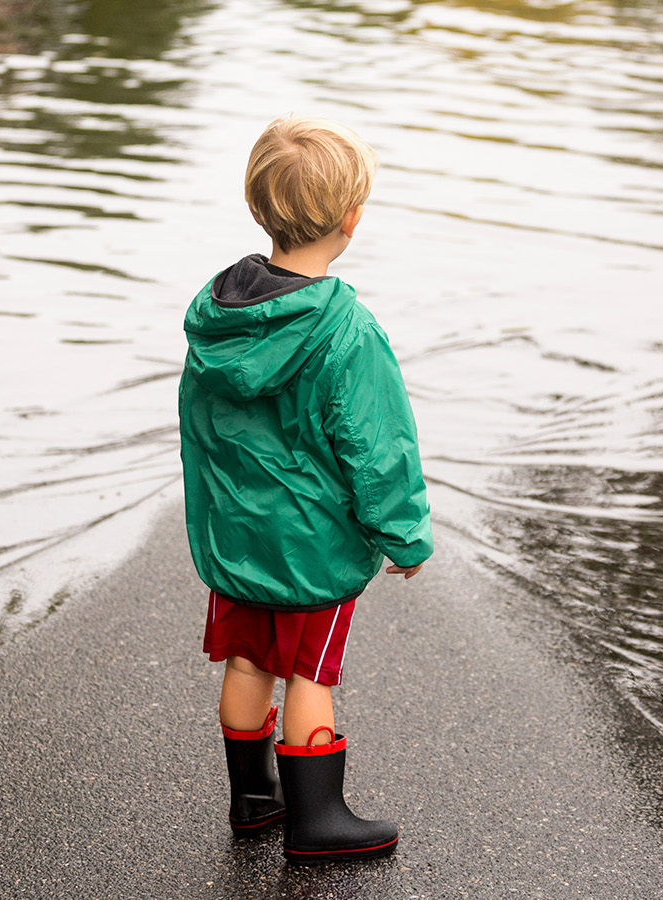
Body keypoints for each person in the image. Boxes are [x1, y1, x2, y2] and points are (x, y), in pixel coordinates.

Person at [178, 115, 433, 864]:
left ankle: (253, 798)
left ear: (259, 208)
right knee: (308, 673)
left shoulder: (218, 316)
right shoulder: (345, 331)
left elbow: (203, 426)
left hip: (238, 535)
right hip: (310, 549)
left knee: (248, 660)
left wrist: (218, 510)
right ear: (352, 220)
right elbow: (378, 448)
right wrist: (405, 536)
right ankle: (318, 819)